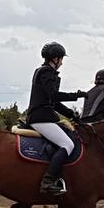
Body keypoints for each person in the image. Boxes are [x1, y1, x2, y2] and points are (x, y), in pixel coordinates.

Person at [26, 42, 87, 196]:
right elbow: (54, 96)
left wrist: (72, 114)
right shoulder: (47, 73)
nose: (62, 63)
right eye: (61, 59)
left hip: (44, 116)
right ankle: (48, 181)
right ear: (55, 58)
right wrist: (76, 96)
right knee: (68, 144)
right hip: (41, 118)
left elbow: (53, 102)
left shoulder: (45, 72)